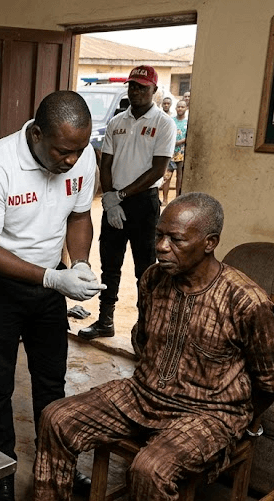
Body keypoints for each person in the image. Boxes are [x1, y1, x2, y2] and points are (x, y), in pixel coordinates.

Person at [0, 193, 274, 501]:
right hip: (145, 393)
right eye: (159, 235)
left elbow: (272, 381)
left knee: (150, 469)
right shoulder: (153, 278)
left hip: (210, 413)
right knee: (56, 417)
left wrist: (235, 422)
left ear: (210, 243)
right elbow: (144, 339)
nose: (162, 247)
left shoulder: (246, 301)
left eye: (176, 239)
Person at [0, 90, 106, 501]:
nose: (71, 160)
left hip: (50, 286)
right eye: (63, 151)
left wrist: (78, 264)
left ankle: (56, 467)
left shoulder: (81, 156)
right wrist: (51, 277)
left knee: (51, 382)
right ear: (37, 134)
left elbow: (79, 216)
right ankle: (1, 471)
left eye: (79, 150)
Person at [79, 65, 176, 340]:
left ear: (154, 90)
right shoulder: (116, 122)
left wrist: (120, 196)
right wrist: (110, 199)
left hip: (143, 204)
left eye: (142, 87)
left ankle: (145, 329)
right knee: (110, 265)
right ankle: (105, 321)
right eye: (132, 86)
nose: (136, 91)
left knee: (145, 268)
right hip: (115, 201)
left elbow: (158, 170)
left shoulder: (164, 124)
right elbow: (106, 163)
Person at [162, 101, 188, 203]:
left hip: (182, 154)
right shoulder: (171, 121)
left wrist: (179, 142)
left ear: (186, 108)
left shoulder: (187, 122)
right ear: (176, 108)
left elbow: (188, 136)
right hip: (170, 154)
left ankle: (177, 199)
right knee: (167, 176)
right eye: (178, 107)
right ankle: (165, 199)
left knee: (180, 178)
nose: (180, 108)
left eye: (182, 107)